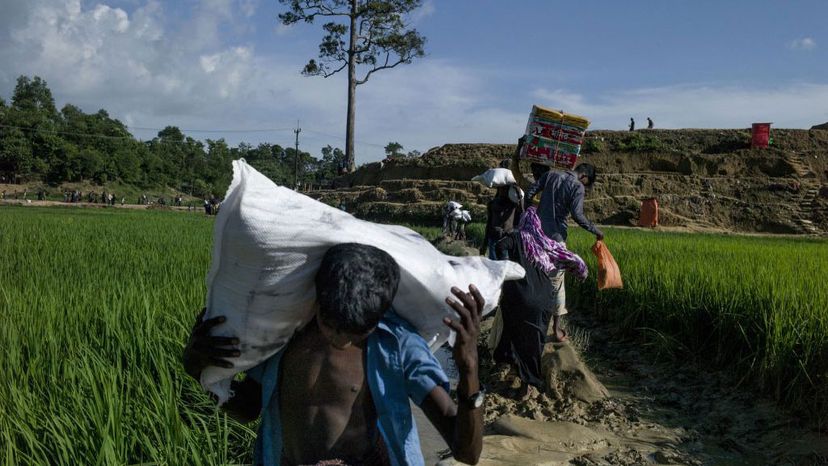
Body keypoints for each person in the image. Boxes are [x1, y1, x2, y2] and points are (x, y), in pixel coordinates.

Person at [183, 243, 485, 465]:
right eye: (330, 325)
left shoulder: (396, 345)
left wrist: (469, 369)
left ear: (378, 318)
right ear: (318, 299)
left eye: (353, 332)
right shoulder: (286, 335)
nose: (338, 338)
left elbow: (467, 453)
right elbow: (249, 408)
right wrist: (201, 371)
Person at [494, 207, 587, 390]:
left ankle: (513, 366)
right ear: (538, 225)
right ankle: (531, 382)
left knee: (515, 331)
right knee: (535, 342)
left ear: (523, 223)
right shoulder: (547, 245)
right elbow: (576, 261)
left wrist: (507, 266)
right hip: (545, 300)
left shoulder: (517, 237)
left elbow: (499, 247)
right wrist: (581, 274)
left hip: (520, 296)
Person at [524, 163, 603, 342]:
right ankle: (556, 329)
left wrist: (532, 212)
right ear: (584, 176)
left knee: (533, 276)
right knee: (557, 282)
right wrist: (595, 230)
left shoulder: (551, 175)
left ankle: (531, 321)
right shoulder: (577, 186)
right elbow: (577, 214)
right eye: (587, 182)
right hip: (556, 238)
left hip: (535, 236)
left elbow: (529, 193)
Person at [480, 185, 522, 259]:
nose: (503, 191)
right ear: (498, 189)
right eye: (501, 188)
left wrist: (518, 191)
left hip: (505, 241)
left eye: (506, 189)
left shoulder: (512, 204)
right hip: (493, 240)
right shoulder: (492, 204)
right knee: (493, 267)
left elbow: (522, 211)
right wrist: (484, 245)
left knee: (504, 267)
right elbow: (489, 224)